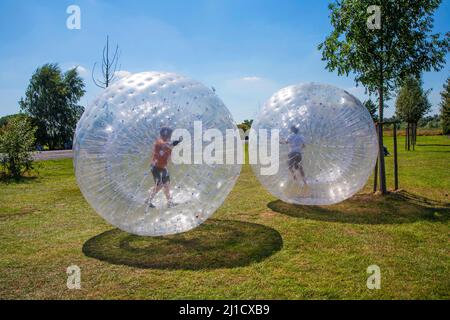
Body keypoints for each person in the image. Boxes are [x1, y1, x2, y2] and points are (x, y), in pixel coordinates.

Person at [145, 127, 183, 211]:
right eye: (170, 134)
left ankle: (170, 203)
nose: (170, 136)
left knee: (166, 185)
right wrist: (175, 142)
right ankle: (148, 200)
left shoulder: (166, 142)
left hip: (163, 168)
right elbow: (165, 145)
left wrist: (174, 143)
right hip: (156, 167)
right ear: (166, 134)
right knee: (160, 185)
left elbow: (168, 147)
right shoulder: (159, 142)